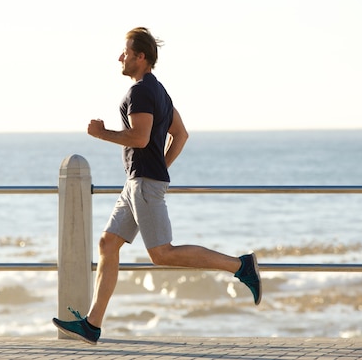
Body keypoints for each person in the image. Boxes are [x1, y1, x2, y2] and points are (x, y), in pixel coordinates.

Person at [53, 27, 261, 344]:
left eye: (125, 52)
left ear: (141, 57)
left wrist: (102, 133)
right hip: (136, 182)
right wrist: (161, 165)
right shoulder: (160, 92)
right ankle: (92, 325)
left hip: (144, 183)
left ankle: (240, 266)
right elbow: (181, 135)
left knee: (162, 253)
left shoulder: (141, 92)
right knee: (108, 244)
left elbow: (139, 137)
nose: (120, 57)